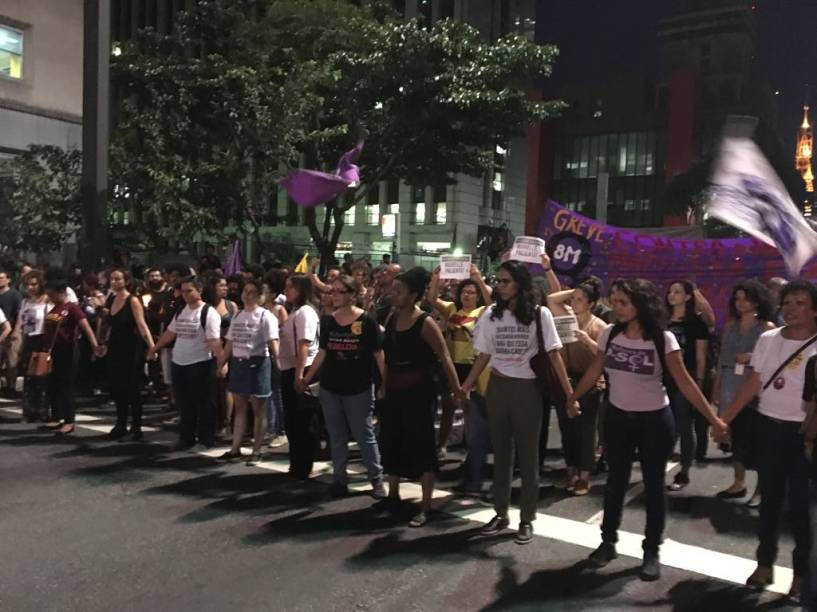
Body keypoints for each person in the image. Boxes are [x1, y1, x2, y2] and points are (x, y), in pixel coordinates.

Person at [568, 278, 727, 581]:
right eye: (614, 302)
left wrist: (714, 419)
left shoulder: (663, 339)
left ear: (641, 304)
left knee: (654, 488)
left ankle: (651, 550)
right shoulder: (610, 335)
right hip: (617, 418)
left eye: (623, 302)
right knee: (615, 483)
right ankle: (608, 542)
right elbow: (594, 370)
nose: (616, 308)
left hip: (654, 421)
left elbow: (685, 382)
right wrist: (573, 397)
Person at [460, 260, 574, 544]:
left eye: (505, 281)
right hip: (497, 387)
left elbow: (554, 354)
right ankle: (500, 513)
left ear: (520, 284)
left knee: (528, 457)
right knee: (501, 456)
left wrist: (570, 393)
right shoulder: (490, 315)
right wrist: (465, 385)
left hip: (527, 390)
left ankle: (526, 518)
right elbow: (483, 355)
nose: (499, 286)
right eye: (497, 281)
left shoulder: (540, 314)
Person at [719, 279, 817, 600]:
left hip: (805, 436)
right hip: (768, 428)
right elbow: (755, 382)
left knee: (802, 510)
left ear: (814, 309)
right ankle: (764, 564)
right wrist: (725, 418)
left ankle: (801, 574)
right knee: (770, 502)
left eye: (800, 302)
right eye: (787, 302)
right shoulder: (768, 338)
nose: (791, 308)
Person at [380, 267, 462, 527]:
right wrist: (382, 387)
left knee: (423, 446)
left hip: (419, 393)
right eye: (393, 289)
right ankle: (392, 494)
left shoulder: (425, 322)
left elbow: (444, 357)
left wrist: (457, 389)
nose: (394, 294)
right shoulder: (392, 317)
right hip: (394, 390)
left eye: (399, 291)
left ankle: (425, 506)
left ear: (414, 295)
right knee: (393, 441)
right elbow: (387, 358)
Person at [298, 274, 386, 498]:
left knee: (363, 434)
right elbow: (323, 352)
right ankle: (339, 479)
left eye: (339, 291)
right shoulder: (328, 320)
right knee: (336, 435)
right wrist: (307, 378)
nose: (333, 295)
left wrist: (384, 382)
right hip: (331, 386)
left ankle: (376, 478)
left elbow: (378, 354)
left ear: (352, 295)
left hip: (359, 387)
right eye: (332, 291)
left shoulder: (366, 321)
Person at [427, 264, 493, 482]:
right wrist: (436, 277)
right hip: (452, 366)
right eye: (465, 292)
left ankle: (470, 450)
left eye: (472, 292)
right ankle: (441, 446)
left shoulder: (483, 312)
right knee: (448, 406)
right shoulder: (452, 310)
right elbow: (431, 298)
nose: (468, 295)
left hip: (473, 366)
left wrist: (478, 277)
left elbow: (492, 301)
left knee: (470, 410)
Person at [712, 280, 775, 507]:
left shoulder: (767, 328)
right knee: (734, 437)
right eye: (737, 298)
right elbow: (721, 360)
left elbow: (772, 361)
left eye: (745, 298)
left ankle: (760, 490)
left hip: (755, 386)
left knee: (758, 441)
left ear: (758, 300)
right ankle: (738, 482)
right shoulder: (730, 325)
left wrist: (750, 356)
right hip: (730, 383)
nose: (741, 303)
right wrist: (716, 386)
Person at [547, 280, 608, 496]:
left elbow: (603, 357)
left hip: (588, 381)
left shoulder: (598, 326)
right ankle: (570, 471)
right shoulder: (566, 318)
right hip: (565, 379)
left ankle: (584, 475)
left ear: (591, 304)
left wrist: (587, 341)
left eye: (580, 300)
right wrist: (578, 289)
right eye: (573, 298)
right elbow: (551, 299)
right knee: (567, 428)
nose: (574, 302)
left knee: (586, 430)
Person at [148, 276, 223, 451]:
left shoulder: (208, 313)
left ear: (199, 290)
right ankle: (186, 437)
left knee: (203, 403)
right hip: (179, 362)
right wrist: (155, 348)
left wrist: (221, 362)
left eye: (189, 291)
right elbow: (170, 333)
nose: (185, 295)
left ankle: (206, 439)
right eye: (183, 291)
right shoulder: (181, 310)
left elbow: (214, 340)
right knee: (183, 403)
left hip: (200, 363)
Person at [217, 280, 279, 465]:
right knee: (240, 407)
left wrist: (279, 364)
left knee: (259, 409)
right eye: (245, 291)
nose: (247, 295)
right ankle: (235, 448)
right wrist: (221, 362)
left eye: (252, 292)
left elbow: (272, 343)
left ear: (260, 296)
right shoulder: (237, 316)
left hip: (258, 363)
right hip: (239, 363)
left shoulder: (265, 316)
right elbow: (229, 342)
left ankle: (257, 450)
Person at [664, 280, 711, 491]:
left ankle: (684, 471)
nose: (671, 295)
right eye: (670, 291)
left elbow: (700, 357)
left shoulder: (696, 323)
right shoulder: (662, 321)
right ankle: (658, 464)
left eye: (677, 292)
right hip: (662, 378)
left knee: (684, 424)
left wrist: (698, 383)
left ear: (688, 296)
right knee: (663, 424)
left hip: (686, 377)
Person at [98, 269, 155, 441]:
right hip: (115, 348)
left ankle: (136, 427)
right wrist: (103, 343)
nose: (114, 282)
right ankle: (120, 423)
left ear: (126, 280)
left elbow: (141, 325)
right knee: (117, 388)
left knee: (133, 389)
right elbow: (109, 325)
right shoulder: (112, 299)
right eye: (112, 279)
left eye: (118, 279)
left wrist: (152, 346)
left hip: (131, 349)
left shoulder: (133, 300)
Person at [43, 280, 103, 434]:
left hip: (68, 350)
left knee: (66, 385)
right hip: (53, 350)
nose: (50, 297)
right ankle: (56, 417)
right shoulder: (55, 308)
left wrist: (95, 345)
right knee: (53, 384)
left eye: (52, 294)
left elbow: (85, 326)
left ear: (61, 292)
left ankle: (69, 421)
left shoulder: (72, 308)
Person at [278, 274, 321, 479]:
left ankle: (304, 466)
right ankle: (297, 464)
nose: (286, 291)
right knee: (293, 421)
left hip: (301, 370)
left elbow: (304, 344)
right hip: (290, 369)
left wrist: (299, 374)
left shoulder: (305, 312)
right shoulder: (295, 311)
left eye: (290, 287)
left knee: (303, 421)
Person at [204, 274, 239, 438]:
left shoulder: (231, 306)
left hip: (228, 349)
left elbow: (237, 328)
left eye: (226, 285)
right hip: (208, 349)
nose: (225, 288)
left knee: (226, 387)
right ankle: (212, 421)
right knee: (211, 388)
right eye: (221, 285)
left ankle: (226, 421)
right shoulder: (205, 306)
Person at [16, 271, 50, 422]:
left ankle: (42, 410)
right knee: (28, 377)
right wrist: (17, 336)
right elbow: (20, 322)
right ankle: (29, 411)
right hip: (29, 339)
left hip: (42, 339)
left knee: (41, 376)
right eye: (28, 285)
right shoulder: (25, 302)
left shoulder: (47, 301)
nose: (31, 288)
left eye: (34, 284)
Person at [0, 269, 22, 397]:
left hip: (12, 330)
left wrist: (16, 331)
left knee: (11, 361)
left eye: (2, 278)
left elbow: (20, 313)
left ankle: (11, 387)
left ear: (8, 279)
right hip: (0, 330)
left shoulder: (14, 295)